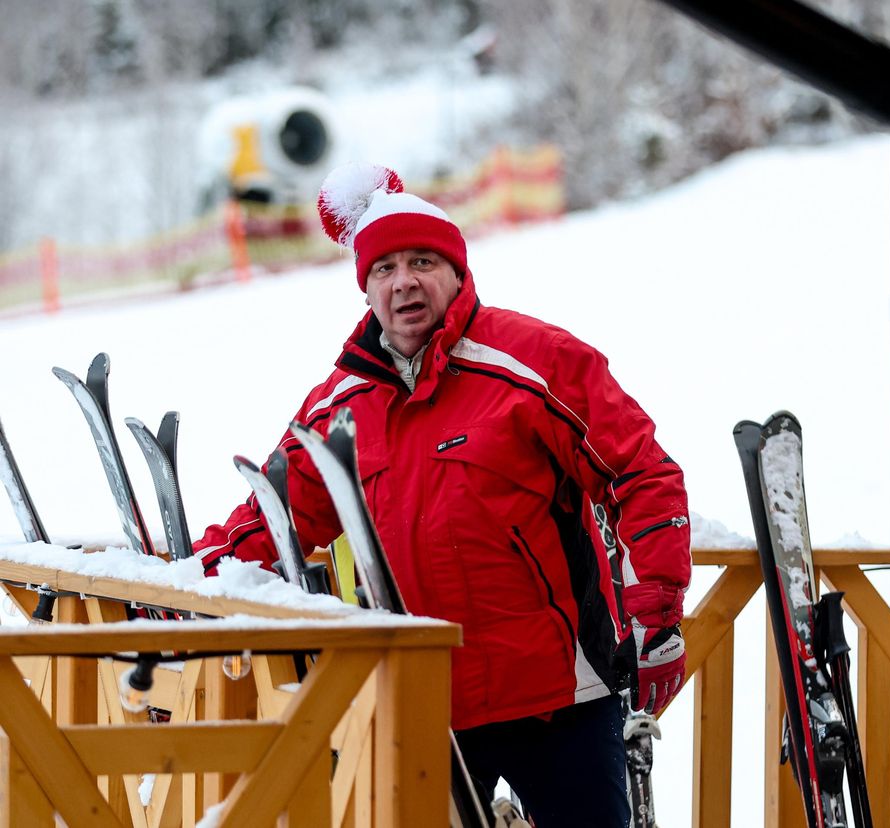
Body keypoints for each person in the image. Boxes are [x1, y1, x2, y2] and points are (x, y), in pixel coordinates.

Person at [194, 163, 692, 827]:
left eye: (423, 261)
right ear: (366, 290)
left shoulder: (536, 361)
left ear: (458, 272)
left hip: (559, 698)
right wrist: (182, 586)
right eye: (385, 268)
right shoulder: (337, 407)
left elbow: (642, 473)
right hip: (423, 705)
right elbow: (271, 524)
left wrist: (653, 610)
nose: (404, 281)